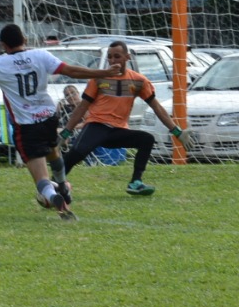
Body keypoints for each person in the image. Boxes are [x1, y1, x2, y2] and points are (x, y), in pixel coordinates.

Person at [0, 23, 121, 220]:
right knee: (53, 151)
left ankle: (54, 197)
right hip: (49, 118)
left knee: (41, 178)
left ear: (3, 45)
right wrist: (103, 73)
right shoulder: (40, 55)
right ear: (24, 39)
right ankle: (62, 185)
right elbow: (71, 70)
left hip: (26, 126)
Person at [59, 40, 194, 196]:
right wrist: (66, 132)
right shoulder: (98, 79)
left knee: (146, 139)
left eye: (117, 56)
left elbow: (157, 107)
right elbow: (82, 107)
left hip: (117, 131)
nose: (113, 60)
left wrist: (177, 132)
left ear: (127, 57)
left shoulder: (139, 81)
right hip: (96, 126)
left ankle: (135, 182)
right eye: (110, 57)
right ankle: (54, 184)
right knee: (76, 155)